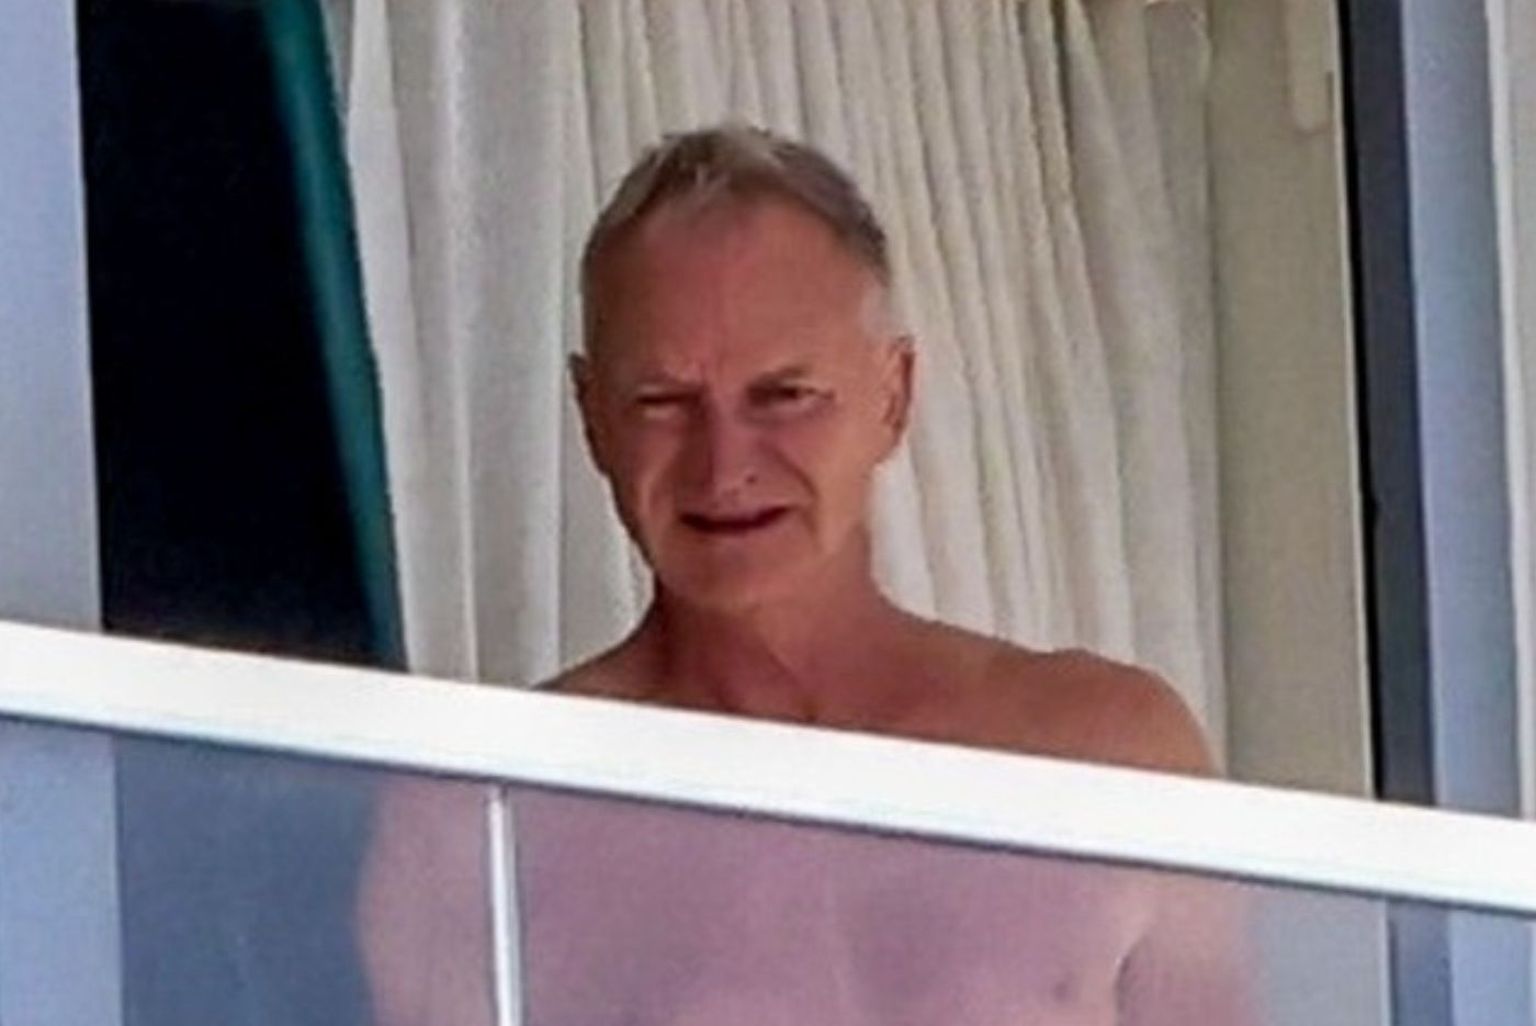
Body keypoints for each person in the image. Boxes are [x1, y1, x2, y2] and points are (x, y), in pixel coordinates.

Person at [359, 124, 1250, 1026]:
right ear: (593, 418)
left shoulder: (1110, 755)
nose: (723, 467)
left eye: (784, 396)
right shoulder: (477, 824)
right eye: (663, 403)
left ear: (893, 396)